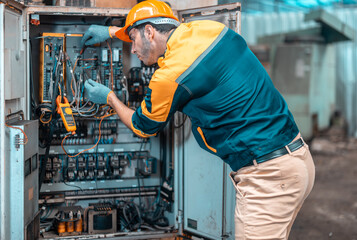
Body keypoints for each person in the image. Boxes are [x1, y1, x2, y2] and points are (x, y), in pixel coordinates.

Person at [81, 0, 315, 239]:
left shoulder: (169, 76)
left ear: (150, 31)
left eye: (132, 38)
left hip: (268, 178)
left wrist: (109, 97)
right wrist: (112, 32)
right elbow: (159, 30)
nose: (131, 49)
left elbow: (143, 126)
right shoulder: (210, 30)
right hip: (297, 159)